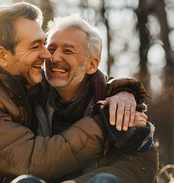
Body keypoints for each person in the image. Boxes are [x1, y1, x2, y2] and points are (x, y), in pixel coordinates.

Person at [0, 2, 150, 183]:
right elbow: (35, 160)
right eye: (37, 46)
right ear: (2, 55)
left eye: (43, 43)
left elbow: (141, 160)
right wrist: (106, 122)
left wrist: (125, 91)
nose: (49, 56)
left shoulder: (34, 84)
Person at [34, 15, 158, 183]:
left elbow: (141, 165)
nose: (54, 58)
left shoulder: (116, 104)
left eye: (68, 51)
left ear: (91, 65)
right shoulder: (33, 99)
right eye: (51, 48)